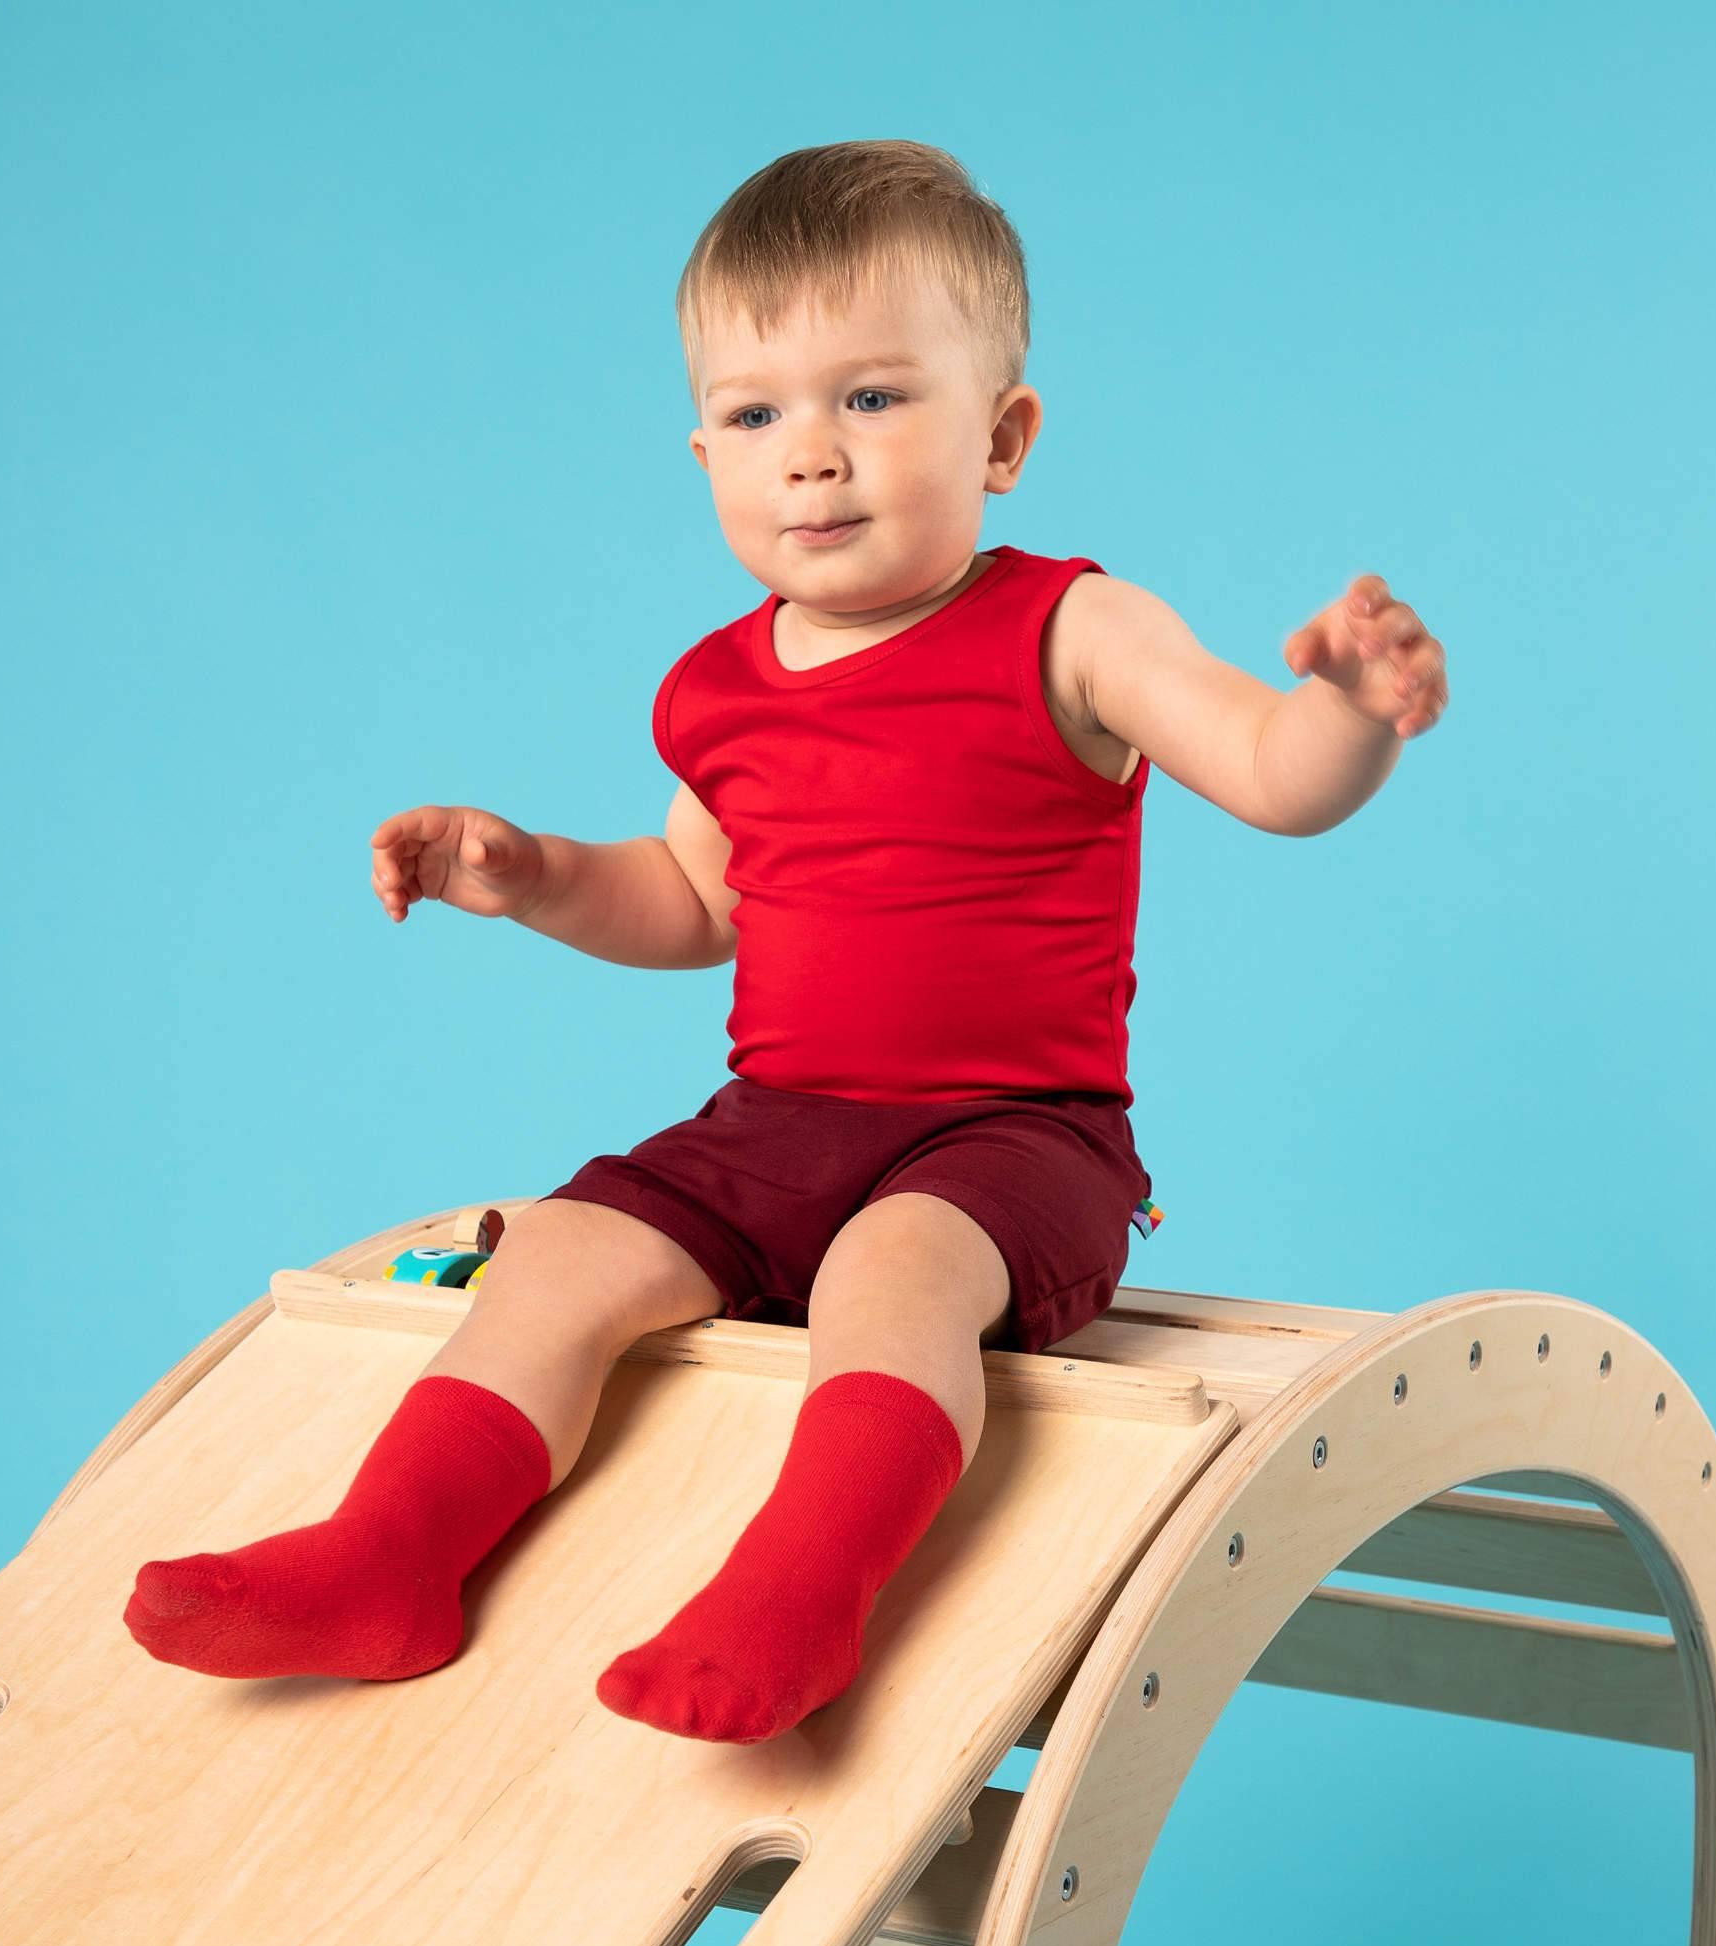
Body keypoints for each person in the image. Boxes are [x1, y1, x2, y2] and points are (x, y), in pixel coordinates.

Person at [123, 139, 1448, 1744]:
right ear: (703, 455)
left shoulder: (1071, 627)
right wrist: (534, 874)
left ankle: (802, 1592)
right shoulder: (718, 686)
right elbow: (694, 905)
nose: (811, 457)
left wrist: (1345, 711)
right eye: (757, 416)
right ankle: (384, 1560)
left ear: (1005, 437)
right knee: (556, 1253)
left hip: (1014, 1138)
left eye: (872, 400)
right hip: (777, 1128)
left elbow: (1270, 775)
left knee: (889, 1276)